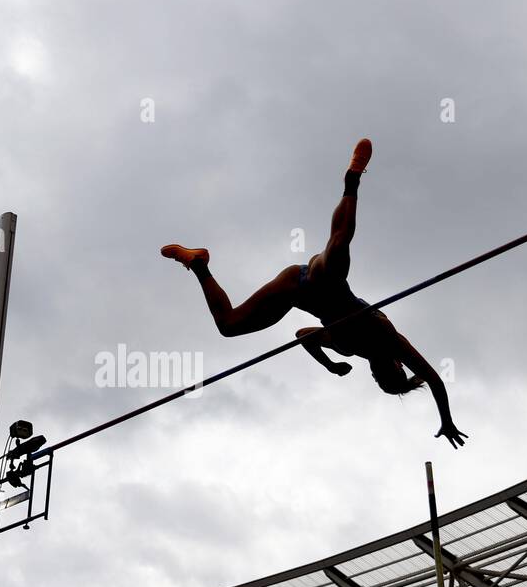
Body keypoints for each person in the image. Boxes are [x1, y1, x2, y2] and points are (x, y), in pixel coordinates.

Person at [161, 138, 468, 448]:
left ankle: (198, 264)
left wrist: (330, 365)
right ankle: (353, 180)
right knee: (338, 245)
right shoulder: (391, 339)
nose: (377, 374)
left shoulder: (347, 349)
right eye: (386, 376)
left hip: (296, 290)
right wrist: (446, 419)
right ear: (397, 366)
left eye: (377, 380)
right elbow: (434, 379)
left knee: (228, 326)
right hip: (325, 280)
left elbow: (303, 335)